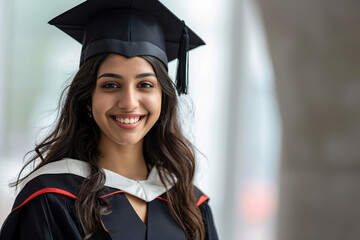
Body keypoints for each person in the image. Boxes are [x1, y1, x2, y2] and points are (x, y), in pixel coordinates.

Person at [0, 0, 218, 239]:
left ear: (163, 99)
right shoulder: (53, 199)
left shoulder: (190, 206)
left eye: (145, 85)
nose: (129, 102)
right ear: (87, 98)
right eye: (110, 85)